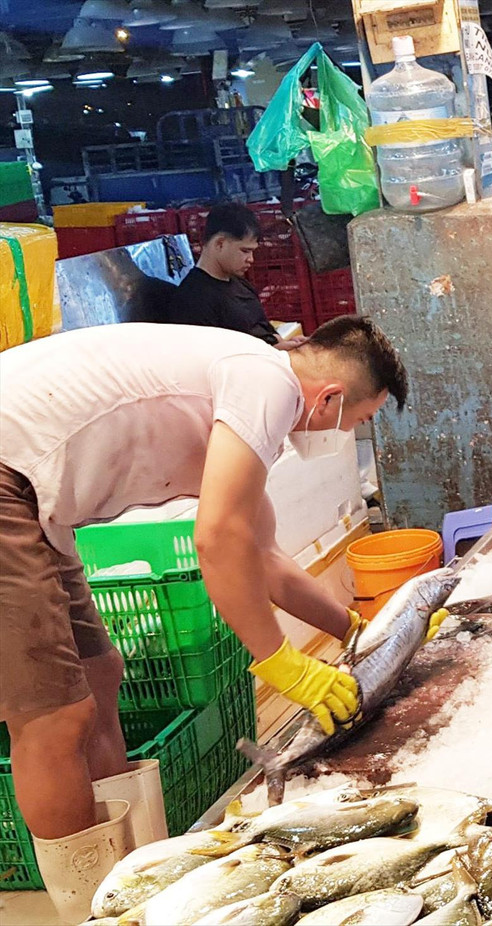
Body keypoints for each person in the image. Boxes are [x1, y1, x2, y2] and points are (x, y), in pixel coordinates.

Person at [0, 317, 419, 917]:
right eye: (360, 420)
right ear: (329, 397)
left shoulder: (248, 394)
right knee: (54, 717)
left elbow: (264, 555)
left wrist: (358, 632)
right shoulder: (265, 382)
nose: (349, 433)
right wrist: (280, 663)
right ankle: (92, 908)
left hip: (34, 499)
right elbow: (217, 539)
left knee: (100, 676)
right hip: (7, 480)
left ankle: (136, 875)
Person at [167, 202, 277, 345]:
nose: (251, 259)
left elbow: (264, 329)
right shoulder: (193, 301)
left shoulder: (240, 283)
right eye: (245, 251)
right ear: (220, 244)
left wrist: (285, 344)